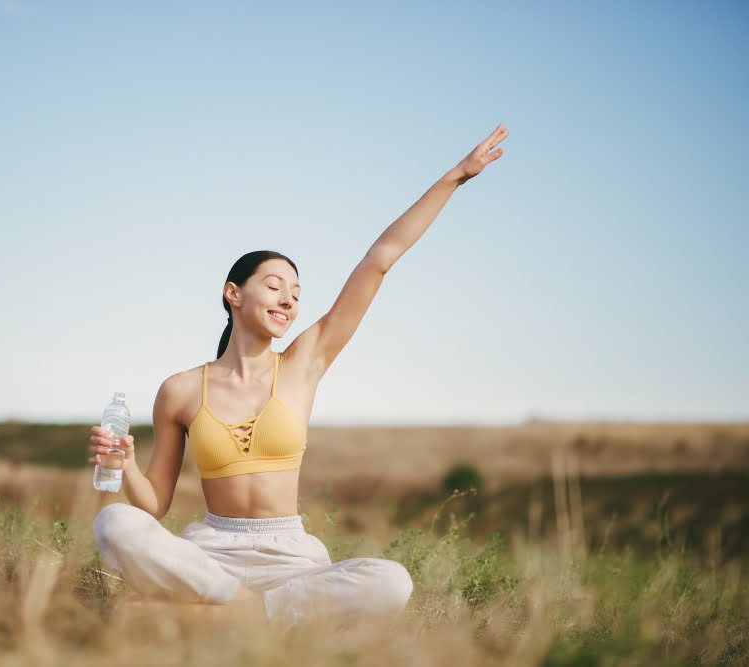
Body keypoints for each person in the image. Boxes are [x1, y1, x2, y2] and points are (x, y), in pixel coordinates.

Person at [90, 124, 509, 628]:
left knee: (391, 581)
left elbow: (379, 261)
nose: (288, 299)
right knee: (115, 522)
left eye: (296, 292)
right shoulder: (179, 391)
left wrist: (456, 177)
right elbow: (154, 506)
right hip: (211, 555)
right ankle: (254, 615)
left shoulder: (303, 364)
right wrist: (127, 465)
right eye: (274, 286)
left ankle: (215, 620)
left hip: (291, 558)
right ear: (234, 294)